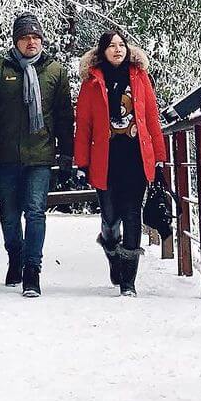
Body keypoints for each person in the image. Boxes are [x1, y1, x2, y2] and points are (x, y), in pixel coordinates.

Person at [0, 13, 74, 297]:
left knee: (36, 211)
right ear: (16, 41)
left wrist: (67, 154)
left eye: (36, 37)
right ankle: (15, 256)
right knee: (9, 214)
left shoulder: (55, 71)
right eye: (26, 37)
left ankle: (32, 270)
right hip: (6, 154)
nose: (32, 42)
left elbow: (65, 117)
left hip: (40, 155)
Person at [74, 29, 166, 297]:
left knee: (132, 214)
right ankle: (112, 251)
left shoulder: (139, 77)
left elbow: (151, 118)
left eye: (121, 45)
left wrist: (159, 157)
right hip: (105, 158)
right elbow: (84, 125)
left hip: (136, 156)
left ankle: (129, 281)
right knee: (110, 216)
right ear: (102, 52)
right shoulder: (92, 82)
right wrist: (81, 163)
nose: (117, 49)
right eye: (111, 46)